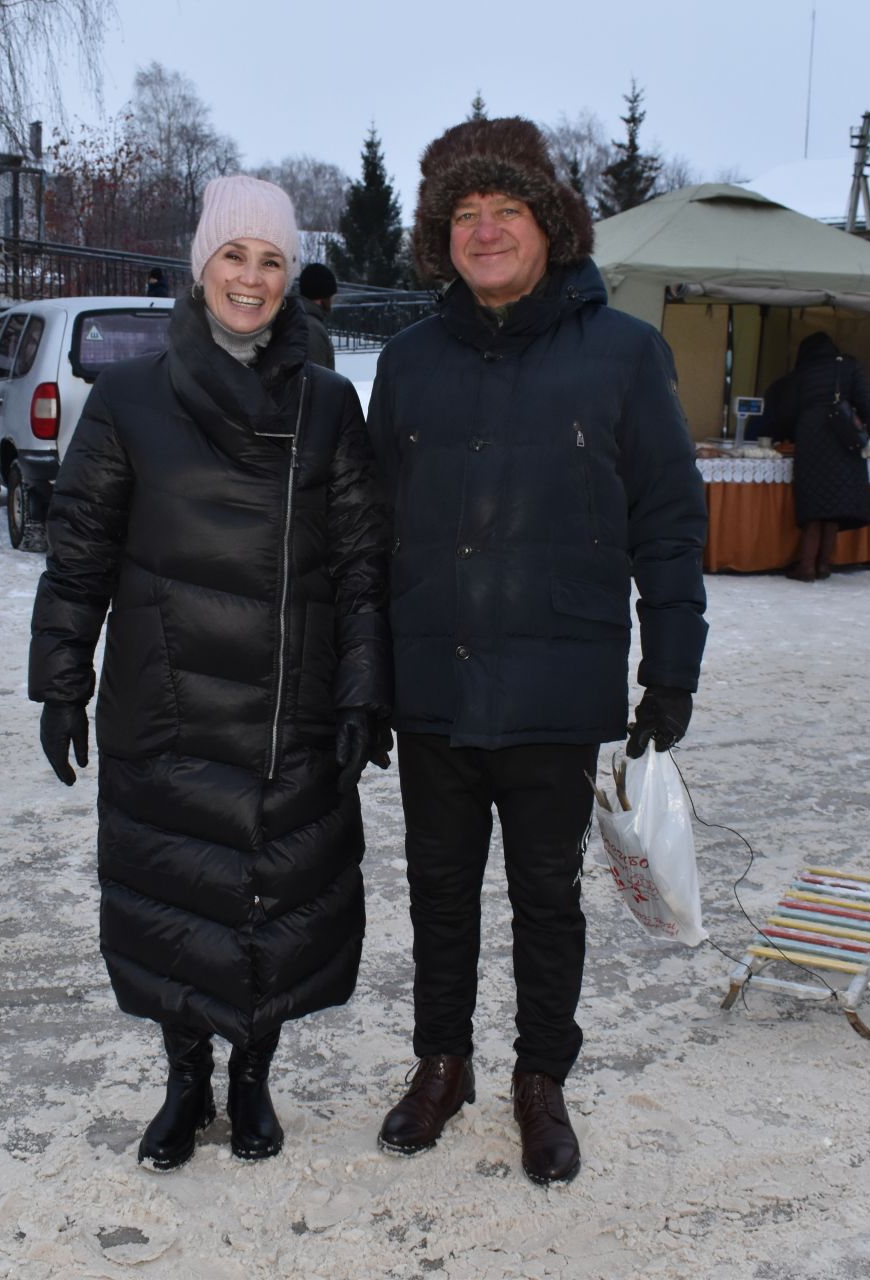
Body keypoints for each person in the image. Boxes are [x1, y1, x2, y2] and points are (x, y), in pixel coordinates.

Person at [364, 117, 708, 1186]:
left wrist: (673, 660)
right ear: (441, 239)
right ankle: (444, 1061)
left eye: (505, 209)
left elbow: (669, 516)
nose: (485, 230)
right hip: (434, 680)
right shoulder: (412, 361)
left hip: (558, 680)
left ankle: (541, 1078)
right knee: (437, 889)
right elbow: (372, 528)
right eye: (464, 215)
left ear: (550, 224)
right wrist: (367, 674)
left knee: (549, 896)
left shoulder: (624, 353)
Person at [29, 175, 390, 1172]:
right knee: (175, 899)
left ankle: (252, 1075)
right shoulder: (131, 398)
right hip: (169, 704)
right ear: (202, 266)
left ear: (289, 279)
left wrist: (363, 688)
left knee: (272, 903)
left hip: (289, 709)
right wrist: (63, 675)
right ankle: (187, 1076)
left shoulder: (327, 403)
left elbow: (362, 560)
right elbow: (82, 549)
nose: (252, 277)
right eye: (235, 254)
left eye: (271, 260)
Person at [760, 332, 870, 581]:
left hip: (812, 439)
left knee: (814, 506)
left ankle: (806, 566)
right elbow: (868, 405)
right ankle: (823, 564)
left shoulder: (802, 374)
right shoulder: (849, 366)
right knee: (833, 506)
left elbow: (785, 412)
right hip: (845, 440)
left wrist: (781, 437)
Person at [297, 262, 338, 370]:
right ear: (322, 297)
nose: (333, 300)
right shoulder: (312, 329)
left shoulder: (299, 319)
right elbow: (317, 381)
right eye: (331, 295)